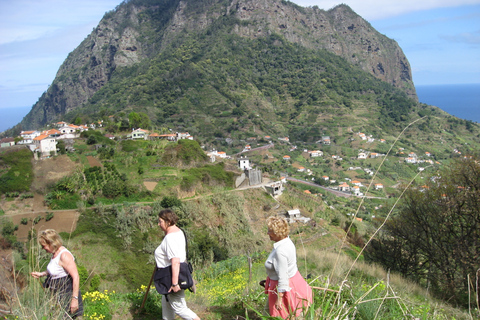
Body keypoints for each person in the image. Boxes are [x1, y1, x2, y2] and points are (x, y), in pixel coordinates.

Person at [155, 209, 200, 320]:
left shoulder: (170, 238)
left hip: (172, 278)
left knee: (180, 308)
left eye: (160, 221)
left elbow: (175, 261)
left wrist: (175, 284)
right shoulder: (179, 232)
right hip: (169, 277)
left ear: (168, 221)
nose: (158, 224)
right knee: (167, 308)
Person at [264, 216, 313, 319]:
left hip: (282, 287)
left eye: (270, 231)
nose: (268, 233)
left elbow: (283, 276)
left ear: (277, 232)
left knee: (275, 315)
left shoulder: (280, 251)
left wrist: (279, 298)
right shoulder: (288, 242)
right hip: (293, 283)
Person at [31, 229, 83, 319]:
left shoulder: (64, 255)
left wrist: (74, 299)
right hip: (59, 297)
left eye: (44, 246)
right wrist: (41, 274)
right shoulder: (55, 254)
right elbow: (56, 270)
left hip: (67, 296)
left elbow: (76, 277)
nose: (43, 249)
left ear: (51, 243)